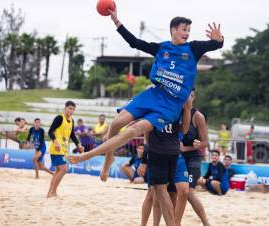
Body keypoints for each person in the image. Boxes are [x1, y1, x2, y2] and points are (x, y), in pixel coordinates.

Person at [67, 6, 224, 184]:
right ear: (173, 30)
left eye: (189, 30)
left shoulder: (193, 48)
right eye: (183, 29)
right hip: (154, 94)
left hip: (170, 106)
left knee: (134, 130)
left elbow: (216, 44)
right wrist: (116, 22)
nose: (187, 33)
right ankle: (107, 161)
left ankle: (88, 155)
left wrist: (220, 40)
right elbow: (134, 42)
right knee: (117, 122)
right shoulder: (161, 48)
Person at [138, 95, 193, 226]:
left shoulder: (177, 105)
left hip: (165, 152)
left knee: (163, 193)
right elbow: (183, 129)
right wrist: (145, 161)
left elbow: (147, 136)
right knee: (154, 194)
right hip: (168, 151)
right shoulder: (176, 104)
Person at [181, 90, 210, 226]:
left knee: (189, 193)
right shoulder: (176, 112)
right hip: (177, 158)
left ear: (194, 98)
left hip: (192, 159)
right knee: (174, 192)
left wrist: (187, 148)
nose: (188, 99)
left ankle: (206, 223)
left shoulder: (198, 116)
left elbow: (205, 142)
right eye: (186, 96)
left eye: (191, 96)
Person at [47, 101, 84, 198]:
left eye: (73, 109)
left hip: (63, 149)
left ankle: (50, 193)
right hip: (56, 148)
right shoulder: (59, 118)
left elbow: (72, 135)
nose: (71, 111)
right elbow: (50, 131)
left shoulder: (71, 120)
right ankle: (53, 192)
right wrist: (55, 142)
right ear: (65, 108)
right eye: (70, 108)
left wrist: (78, 144)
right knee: (63, 169)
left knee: (58, 171)